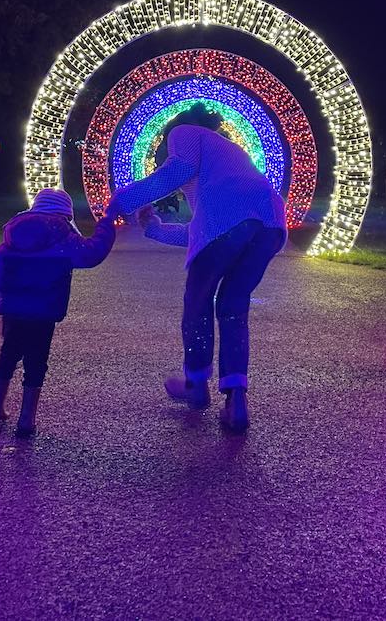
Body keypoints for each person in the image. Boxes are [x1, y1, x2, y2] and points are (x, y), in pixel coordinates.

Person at [108, 103, 286, 432]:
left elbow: (176, 174)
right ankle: (236, 403)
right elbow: (207, 235)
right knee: (233, 307)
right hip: (271, 225)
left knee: (197, 303)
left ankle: (196, 385)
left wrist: (122, 200)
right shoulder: (229, 160)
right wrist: (155, 228)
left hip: (234, 221)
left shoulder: (186, 133)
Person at [0, 187, 115, 437]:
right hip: (43, 312)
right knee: (36, 361)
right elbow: (92, 254)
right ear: (66, 214)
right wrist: (106, 223)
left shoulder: (13, 236)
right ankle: (26, 418)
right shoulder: (63, 237)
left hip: (13, 309)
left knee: (8, 354)